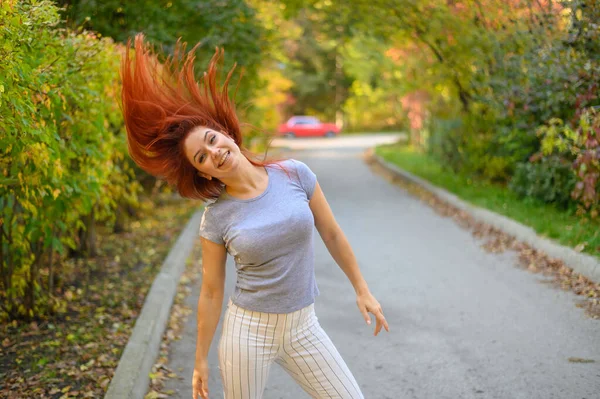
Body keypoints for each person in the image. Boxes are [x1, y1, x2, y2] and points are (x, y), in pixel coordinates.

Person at [121, 33, 389, 399]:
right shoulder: (215, 218)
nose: (213, 152)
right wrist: (199, 360)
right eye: (201, 157)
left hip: (303, 327)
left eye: (213, 140)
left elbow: (332, 233)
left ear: (227, 134)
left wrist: (362, 289)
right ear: (203, 173)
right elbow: (212, 291)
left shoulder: (295, 174)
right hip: (248, 333)